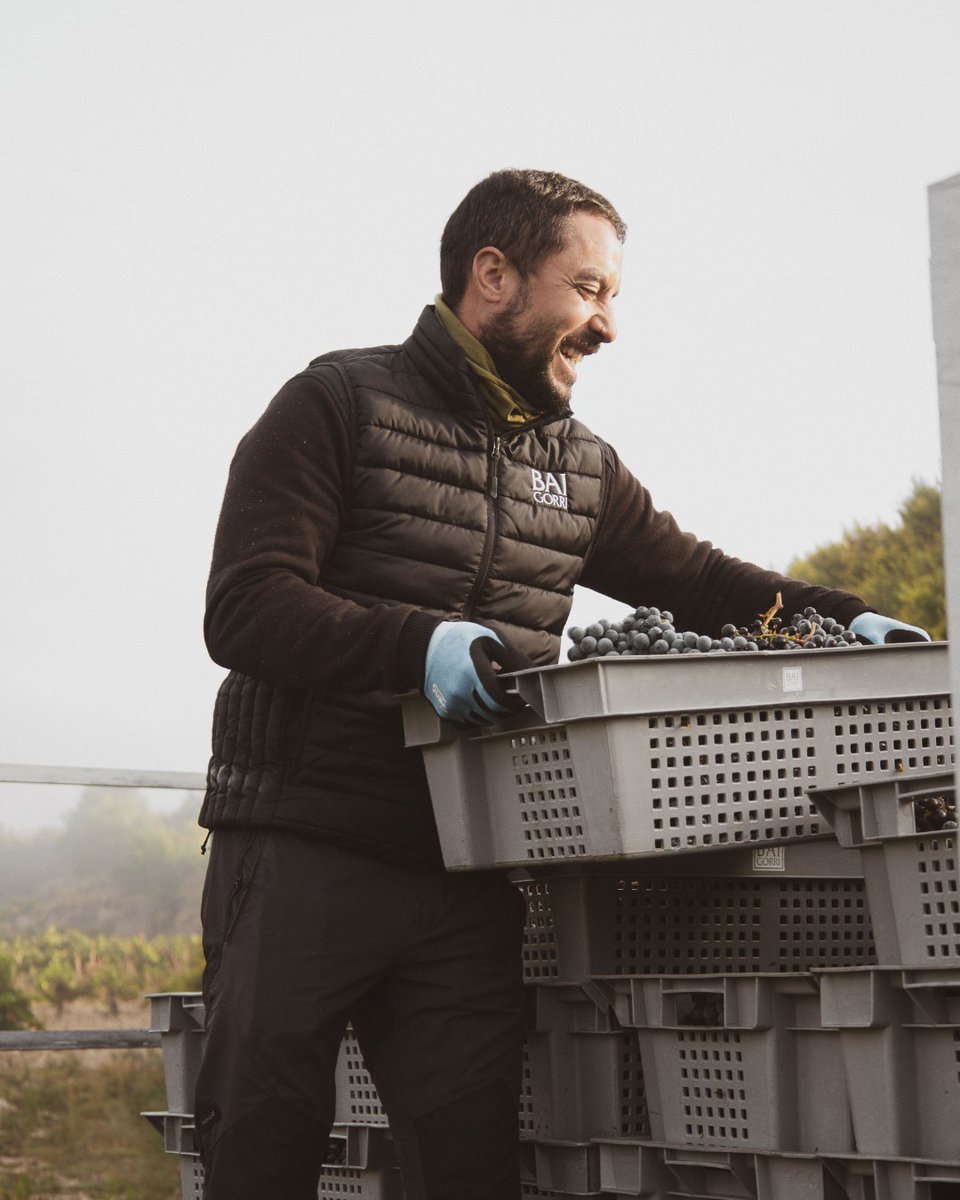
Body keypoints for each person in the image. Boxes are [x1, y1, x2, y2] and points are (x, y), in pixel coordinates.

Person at [193, 168, 929, 1199]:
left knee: (470, 1169)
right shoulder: (336, 404)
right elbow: (246, 604)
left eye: (613, 295)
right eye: (588, 289)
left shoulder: (580, 465)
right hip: (302, 845)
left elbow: (700, 581)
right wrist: (418, 647)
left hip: (471, 866)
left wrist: (843, 617)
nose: (609, 325)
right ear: (493, 275)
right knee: (261, 1152)